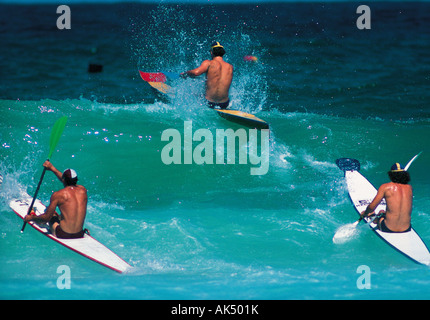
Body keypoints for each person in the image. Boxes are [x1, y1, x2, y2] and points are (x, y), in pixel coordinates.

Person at [24, 160, 88, 239]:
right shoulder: (83, 191)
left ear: (63, 180)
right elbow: (67, 181)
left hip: (63, 234)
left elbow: (45, 219)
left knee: (52, 215)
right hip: (79, 234)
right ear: (76, 180)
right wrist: (52, 168)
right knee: (63, 214)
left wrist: (31, 218)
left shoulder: (58, 195)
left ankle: (34, 216)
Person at [360, 163, 413, 233]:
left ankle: (375, 218)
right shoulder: (409, 188)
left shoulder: (385, 187)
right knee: (383, 213)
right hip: (407, 228)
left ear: (391, 175)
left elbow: (372, 207)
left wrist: (365, 213)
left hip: (388, 228)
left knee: (372, 213)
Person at [180, 41, 233, 109]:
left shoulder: (209, 63)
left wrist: (185, 74)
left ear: (211, 52)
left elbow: (196, 73)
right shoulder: (230, 67)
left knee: (194, 95)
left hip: (210, 103)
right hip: (224, 104)